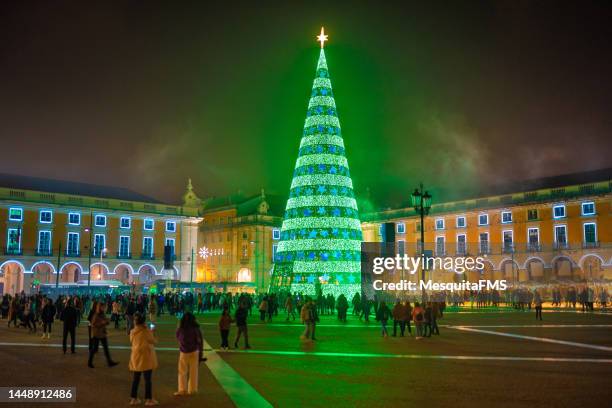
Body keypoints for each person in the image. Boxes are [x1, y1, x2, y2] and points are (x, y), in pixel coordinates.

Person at [129, 312, 158, 406]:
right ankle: (148, 399)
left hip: (136, 357)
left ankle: (133, 398)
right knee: (147, 379)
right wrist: (152, 331)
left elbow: (131, 341)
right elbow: (153, 341)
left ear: (136, 322)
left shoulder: (133, 331)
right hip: (146, 358)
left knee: (136, 379)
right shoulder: (146, 331)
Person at [175, 312, 203, 396]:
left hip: (184, 351)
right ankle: (192, 389)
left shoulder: (181, 328)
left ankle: (182, 389)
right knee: (194, 371)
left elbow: (177, 336)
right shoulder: (196, 328)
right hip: (194, 351)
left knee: (182, 371)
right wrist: (201, 353)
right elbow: (200, 341)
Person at [88, 303, 119, 368]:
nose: (104, 308)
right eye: (103, 307)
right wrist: (101, 323)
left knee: (106, 348)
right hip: (97, 334)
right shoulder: (96, 315)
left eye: (104, 307)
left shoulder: (102, 314)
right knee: (95, 349)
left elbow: (105, 321)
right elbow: (93, 324)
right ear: (100, 307)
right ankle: (89, 362)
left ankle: (109, 362)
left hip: (102, 334)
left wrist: (107, 322)